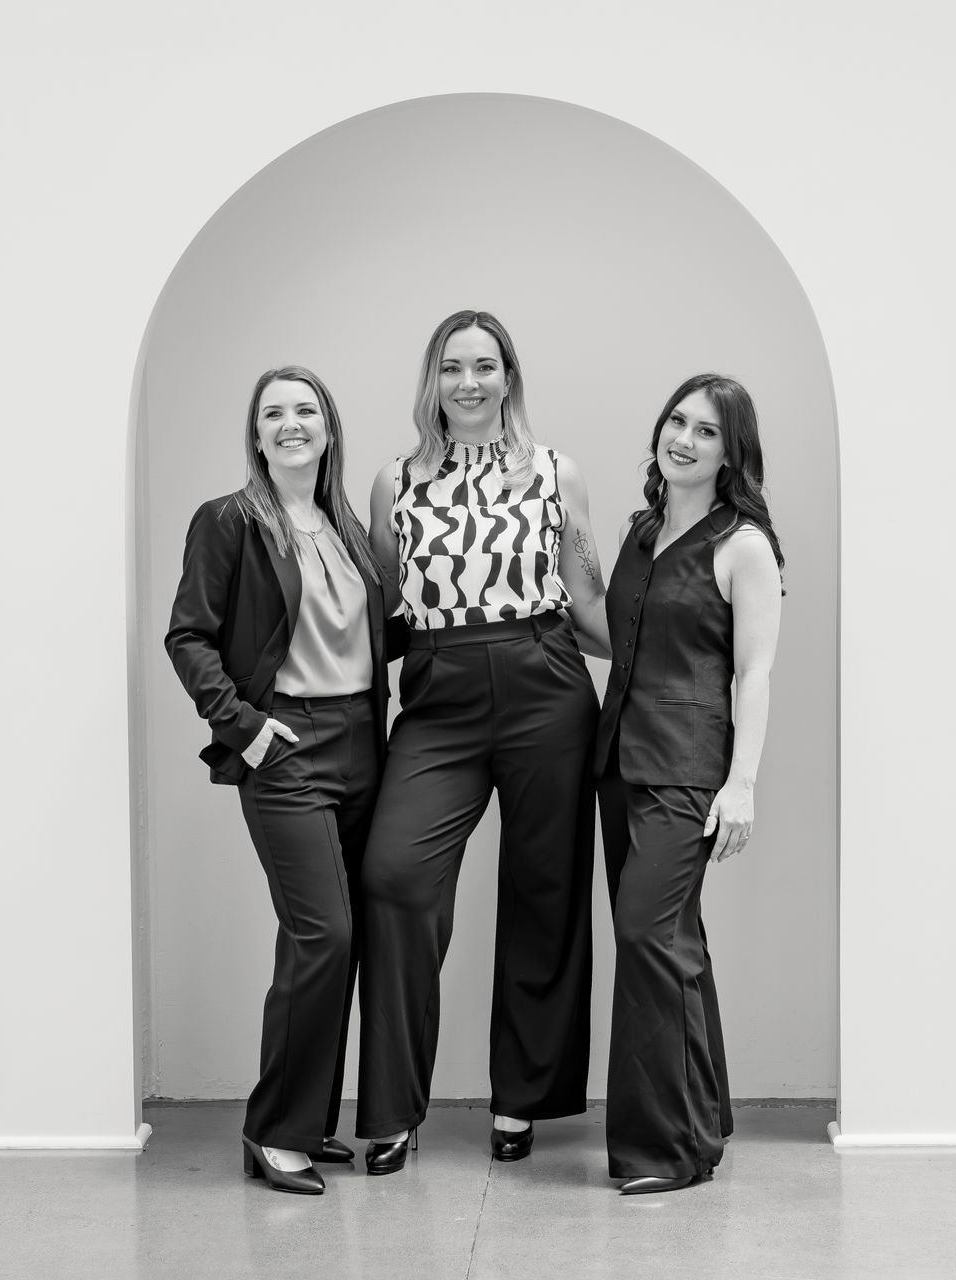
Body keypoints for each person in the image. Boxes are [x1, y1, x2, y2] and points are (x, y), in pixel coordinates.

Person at [356, 310, 611, 1174]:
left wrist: (688, 628)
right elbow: (381, 610)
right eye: (453, 367)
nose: (469, 382)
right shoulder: (394, 482)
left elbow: (591, 606)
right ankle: (390, 1109)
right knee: (394, 876)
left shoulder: (555, 473)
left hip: (546, 677)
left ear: (510, 377)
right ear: (433, 379)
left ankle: (521, 1099)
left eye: (486, 366)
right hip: (438, 691)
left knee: (545, 893)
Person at [164, 366, 392, 1196]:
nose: (291, 424)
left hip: (365, 744)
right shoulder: (230, 521)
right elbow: (188, 636)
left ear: (329, 428)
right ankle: (272, 1132)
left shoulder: (348, 528)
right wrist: (247, 729)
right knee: (319, 935)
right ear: (257, 436)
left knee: (349, 939)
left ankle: (310, 1120)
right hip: (287, 743)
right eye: (274, 414)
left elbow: (372, 636)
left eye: (306, 411)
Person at [593, 373, 784, 1195]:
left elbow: (756, 672)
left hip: (689, 770)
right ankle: (707, 1112)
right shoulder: (642, 532)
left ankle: (664, 1150)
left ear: (730, 452)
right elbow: (615, 636)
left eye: (707, 431)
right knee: (675, 945)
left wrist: (742, 783)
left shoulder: (742, 544)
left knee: (645, 938)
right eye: (678, 421)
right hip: (618, 762)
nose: (685, 439)